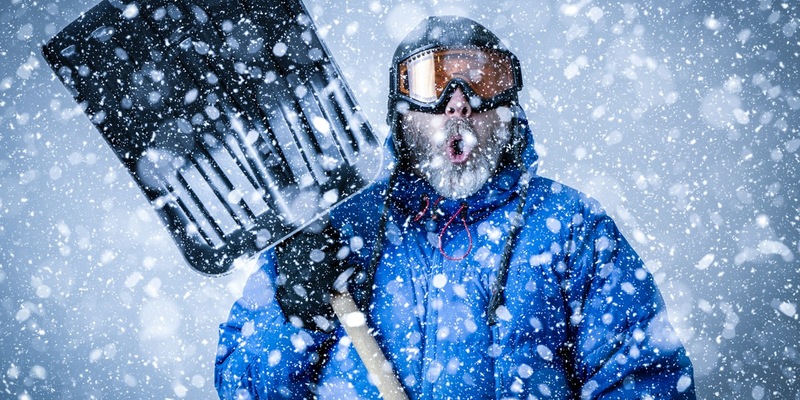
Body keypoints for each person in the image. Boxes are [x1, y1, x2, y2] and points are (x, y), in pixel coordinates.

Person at [214, 16, 695, 399]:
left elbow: (645, 380)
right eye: (433, 82)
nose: (458, 104)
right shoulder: (333, 228)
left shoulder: (570, 227)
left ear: (508, 109)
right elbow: (241, 387)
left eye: (483, 81)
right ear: (401, 113)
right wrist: (289, 314)